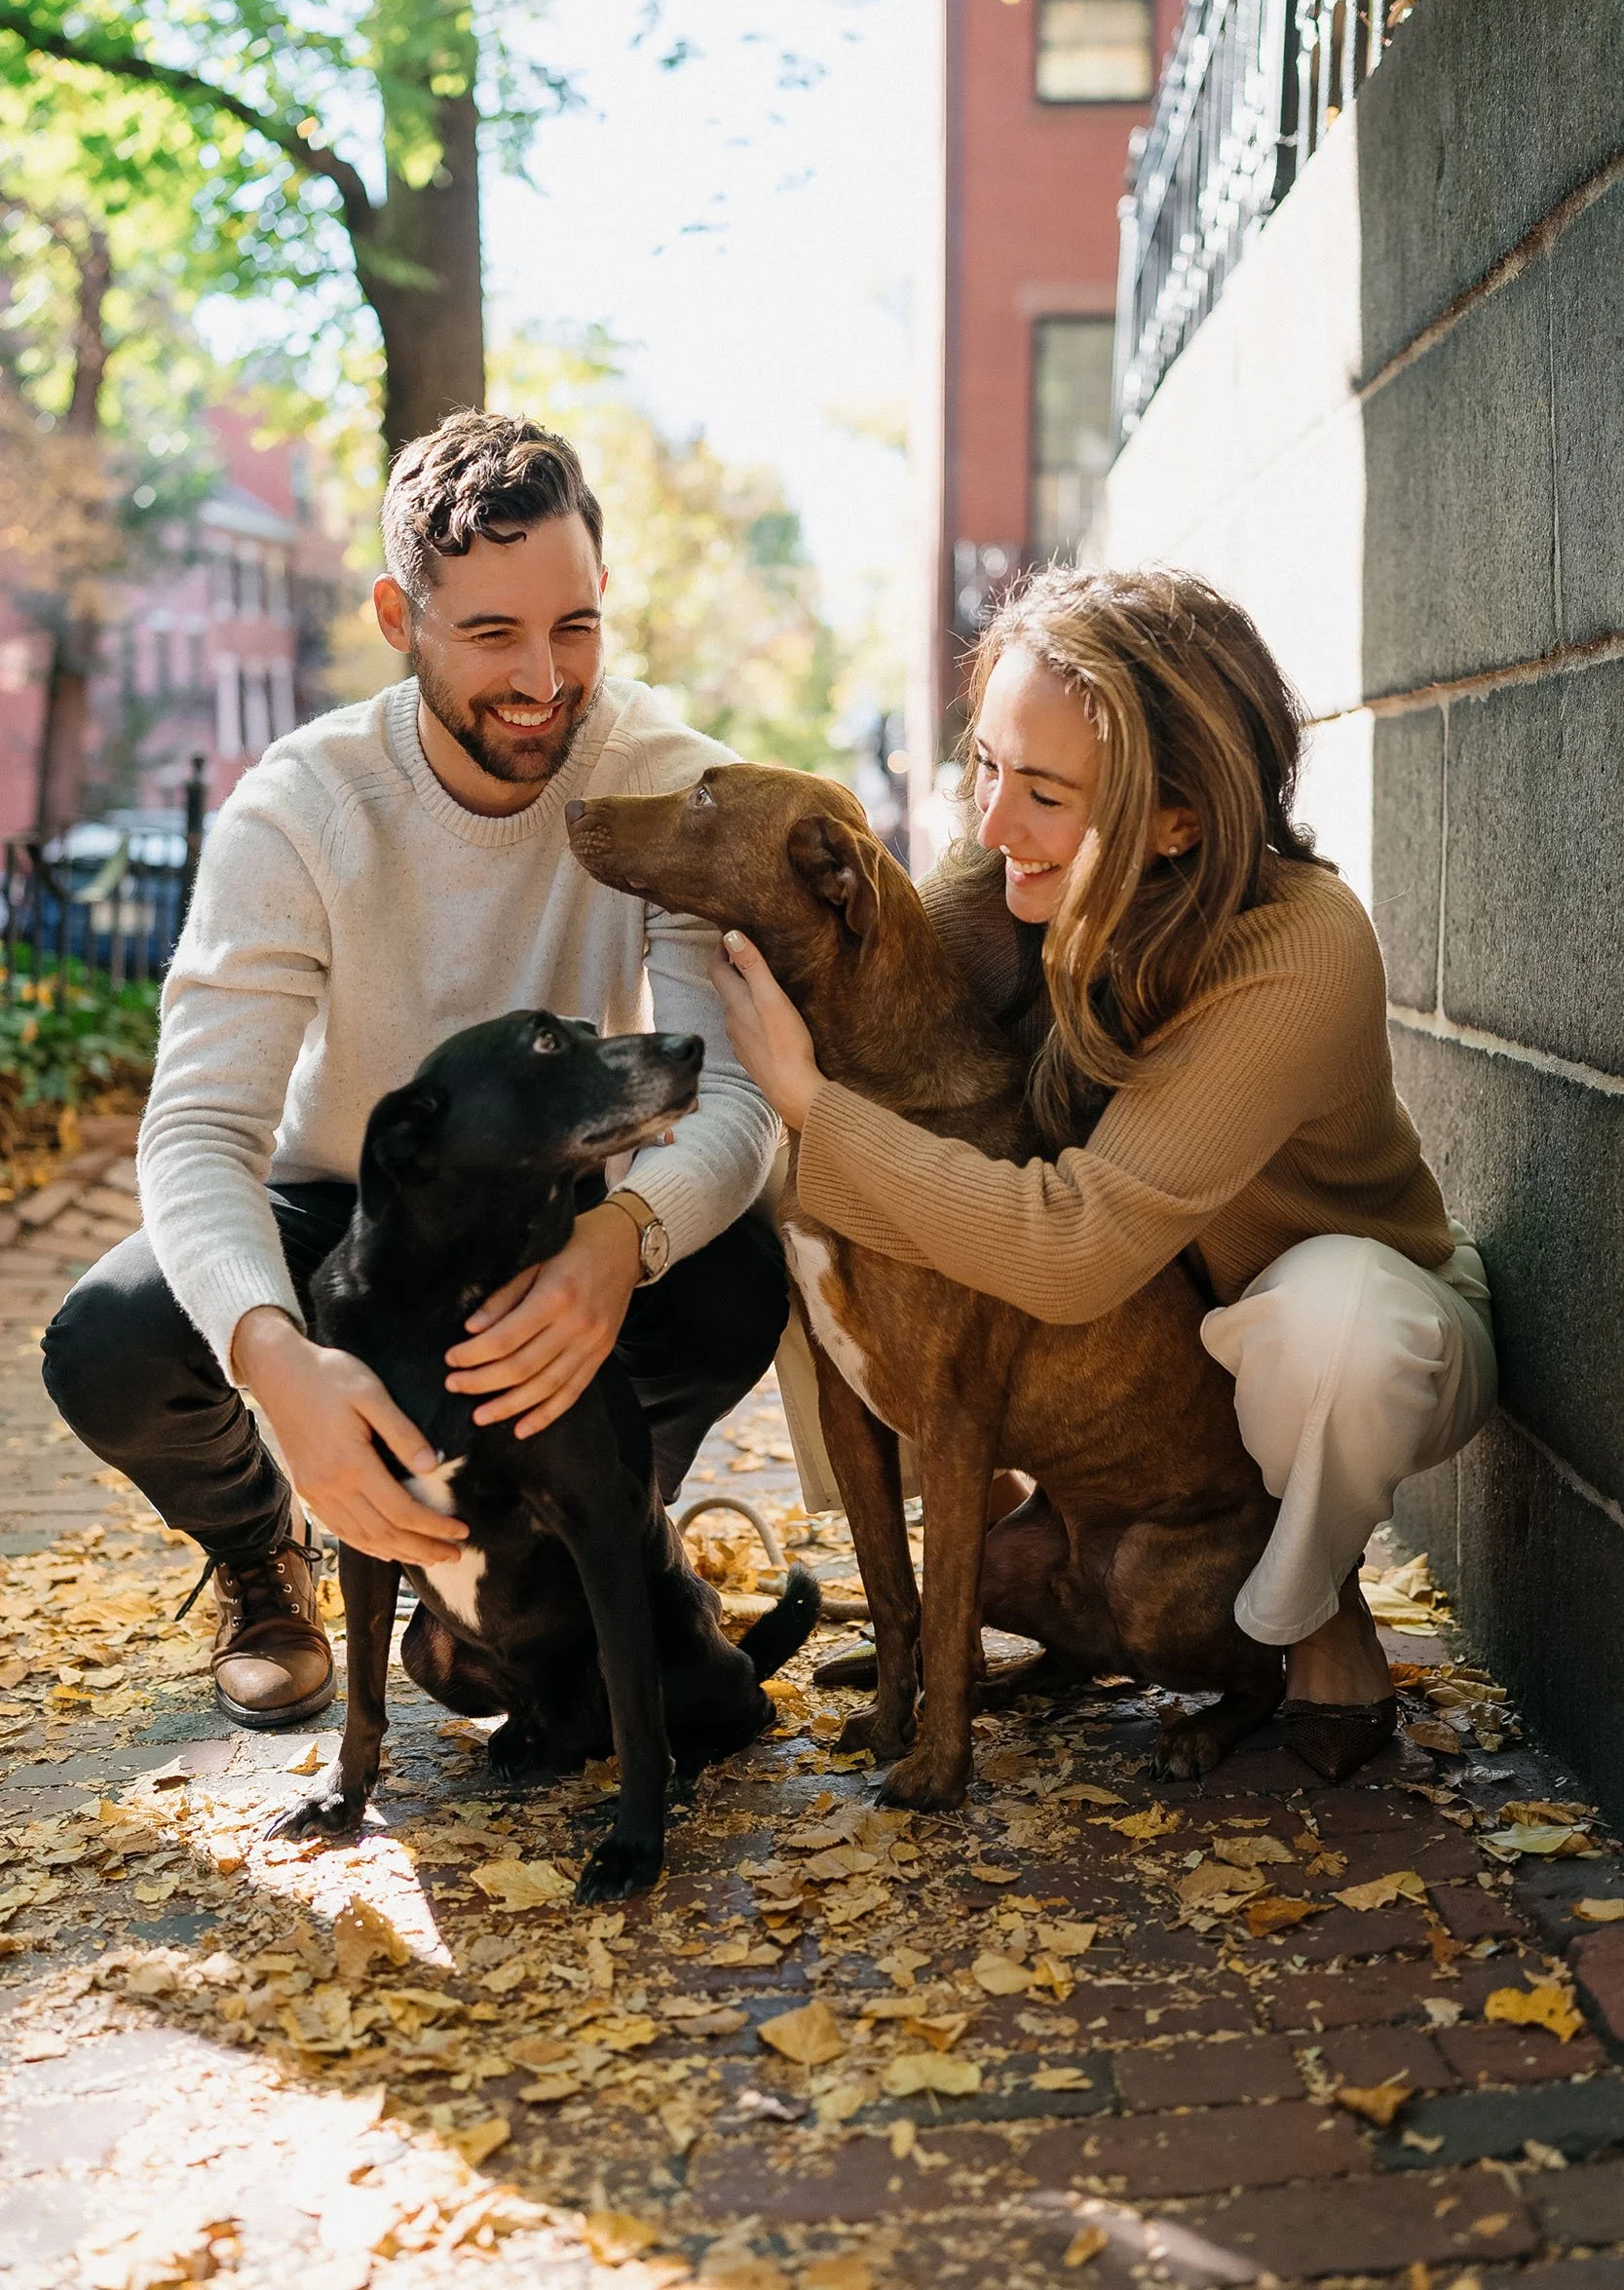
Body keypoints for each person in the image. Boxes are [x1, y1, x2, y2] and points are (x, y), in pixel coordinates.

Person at [42, 411, 786, 1731]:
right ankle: (269, 1556)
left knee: (729, 1278)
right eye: (491, 634)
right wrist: (276, 1367)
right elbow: (198, 1130)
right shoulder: (301, 807)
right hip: (348, 1210)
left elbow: (728, 1099)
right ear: (399, 614)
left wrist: (622, 1241)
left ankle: (598, 1543)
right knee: (107, 1342)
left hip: (557, 1213)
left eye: (574, 627)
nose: (544, 679)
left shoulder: (667, 784)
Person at [712, 564, 1495, 1780]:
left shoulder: (1294, 947)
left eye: (1041, 791)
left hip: (1358, 1334)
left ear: (1176, 816)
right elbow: (881, 1029)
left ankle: (1314, 1601)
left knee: (1329, 1325)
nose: (987, 824)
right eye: (984, 765)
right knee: (827, 1209)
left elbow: (1071, 1246)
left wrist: (809, 1101)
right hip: (1154, 1364)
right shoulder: (1003, 886)